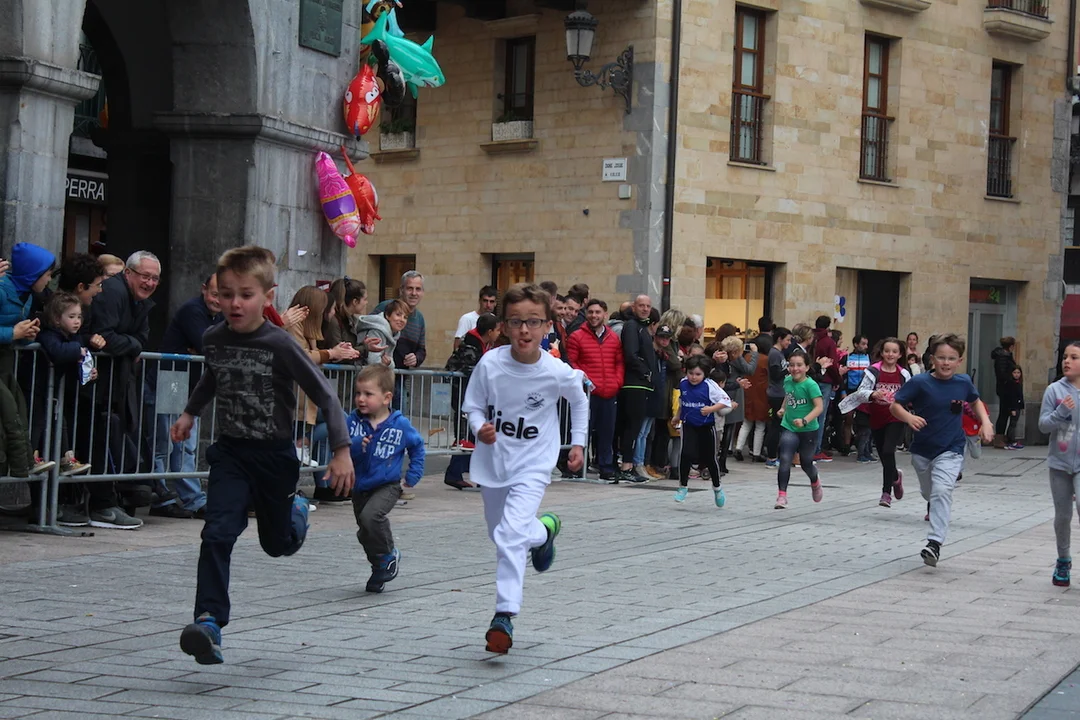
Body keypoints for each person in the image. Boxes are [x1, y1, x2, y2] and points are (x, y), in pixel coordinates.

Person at [171, 245, 354, 665]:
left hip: (274, 456)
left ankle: (296, 514)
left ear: (268, 297)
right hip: (231, 453)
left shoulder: (281, 344)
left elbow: (325, 394)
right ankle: (209, 621)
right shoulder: (213, 338)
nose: (235, 303)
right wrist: (189, 413)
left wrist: (341, 450)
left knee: (277, 545)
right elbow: (213, 376)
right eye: (226, 294)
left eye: (246, 294)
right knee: (217, 533)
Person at [461, 283, 588, 654]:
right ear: (503, 326)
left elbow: (579, 401)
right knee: (501, 532)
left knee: (510, 534)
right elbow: (473, 406)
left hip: (534, 463)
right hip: (494, 462)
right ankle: (544, 531)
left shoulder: (556, 370)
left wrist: (578, 443)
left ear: (548, 326)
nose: (525, 330)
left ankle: (504, 614)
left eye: (534, 322)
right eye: (516, 322)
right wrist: (479, 428)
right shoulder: (490, 364)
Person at [890, 334, 994, 567]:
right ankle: (933, 501)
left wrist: (986, 422)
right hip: (922, 450)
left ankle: (934, 543)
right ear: (932, 359)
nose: (946, 363)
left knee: (942, 491)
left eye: (951, 358)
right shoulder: (920, 382)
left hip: (952, 448)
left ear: (959, 361)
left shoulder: (963, 382)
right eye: (941, 358)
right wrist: (909, 418)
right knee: (930, 493)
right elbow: (895, 406)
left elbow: (975, 401)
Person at [346, 364, 425, 593]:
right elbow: (340, 448)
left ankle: (389, 554)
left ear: (386, 398)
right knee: (365, 530)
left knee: (372, 517)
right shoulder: (353, 422)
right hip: (360, 486)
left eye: (368, 394)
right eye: (358, 393)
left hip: (387, 484)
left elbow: (417, 446)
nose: (361, 399)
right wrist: (355, 446)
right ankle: (379, 566)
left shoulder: (400, 425)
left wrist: (413, 474)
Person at [150, 273, 221, 519]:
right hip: (171, 380)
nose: (219, 300)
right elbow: (209, 347)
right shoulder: (193, 310)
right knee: (164, 443)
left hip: (191, 386)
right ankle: (160, 495)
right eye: (215, 294)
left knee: (186, 446)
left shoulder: (219, 315)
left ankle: (192, 499)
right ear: (204, 289)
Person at [0, 242, 54, 479]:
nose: (49, 280)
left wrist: (25, 335)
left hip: (4, 365)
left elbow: (14, 334)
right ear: (33, 273)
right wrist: (14, 333)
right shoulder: (2, 289)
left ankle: (22, 467)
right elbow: (10, 331)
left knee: (17, 415)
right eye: (47, 274)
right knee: (10, 417)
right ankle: (21, 467)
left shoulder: (28, 296)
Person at [839, 337, 911, 508]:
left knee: (888, 450)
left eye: (894, 351)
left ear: (900, 354)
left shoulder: (904, 374)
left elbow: (912, 392)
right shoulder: (873, 371)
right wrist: (872, 394)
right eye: (887, 351)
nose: (890, 354)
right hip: (877, 417)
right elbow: (861, 391)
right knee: (884, 454)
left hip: (896, 417)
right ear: (882, 353)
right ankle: (895, 477)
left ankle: (886, 493)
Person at [35, 292, 94, 480]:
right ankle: (31, 457)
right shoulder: (48, 334)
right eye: (71, 317)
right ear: (56, 319)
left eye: (79, 317)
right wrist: (78, 351)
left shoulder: (74, 337)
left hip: (52, 389)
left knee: (60, 423)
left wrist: (88, 372)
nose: (77, 321)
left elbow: (75, 360)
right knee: (36, 422)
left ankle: (67, 458)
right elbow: (58, 352)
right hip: (35, 386)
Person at [567, 299, 623, 482]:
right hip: (587, 393)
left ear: (605, 314)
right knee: (584, 430)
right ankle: (577, 466)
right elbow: (572, 362)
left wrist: (617, 382)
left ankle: (605, 467)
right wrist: (584, 381)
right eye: (590, 312)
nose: (594, 316)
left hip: (609, 391)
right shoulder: (577, 336)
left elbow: (619, 362)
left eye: (598, 312)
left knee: (607, 432)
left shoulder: (613, 338)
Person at [1039, 341, 1080, 587]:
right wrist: (1061, 411)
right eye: (1065, 356)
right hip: (1060, 462)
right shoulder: (1054, 390)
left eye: (1074, 357)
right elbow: (1044, 425)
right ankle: (1063, 560)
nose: (1067, 361)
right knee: (1063, 516)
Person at [444, 312, 499, 489]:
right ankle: (461, 474)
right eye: (497, 330)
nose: (499, 333)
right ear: (490, 332)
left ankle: (459, 473)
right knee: (469, 435)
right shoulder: (471, 346)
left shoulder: (480, 345)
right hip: (465, 396)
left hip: (471, 397)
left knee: (472, 436)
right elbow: (472, 371)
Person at [672, 355, 730, 507]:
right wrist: (677, 416)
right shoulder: (683, 383)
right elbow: (682, 402)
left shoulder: (710, 386)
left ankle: (717, 488)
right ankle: (683, 487)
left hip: (706, 426)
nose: (693, 377)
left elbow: (726, 401)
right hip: (688, 425)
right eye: (691, 373)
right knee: (686, 454)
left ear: (705, 374)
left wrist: (711, 409)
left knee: (710, 458)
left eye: (698, 374)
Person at [774, 349, 824, 509]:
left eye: (799, 365)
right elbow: (788, 396)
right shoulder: (787, 380)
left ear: (807, 367)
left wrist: (804, 420)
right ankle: (782, 496)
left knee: (806, 462)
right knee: (785, 459)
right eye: (792, 365)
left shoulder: (811, 385)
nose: (795, 369)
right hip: (789, 426)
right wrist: (783, 409)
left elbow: (819, 407)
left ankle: (815, 482)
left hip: (808, 430)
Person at [616, 295, 656, 483]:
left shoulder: (641, 327)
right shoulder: (632, 326)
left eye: (648, 306)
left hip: (641, 384)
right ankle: (626, 466)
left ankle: (628, 465)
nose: (645, 309)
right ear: (634, 307)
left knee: (634, 426)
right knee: (632, 427)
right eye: (641, 305)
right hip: (634, 384)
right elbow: (631, 354)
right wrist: (646, 372)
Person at [763, 327, 792, 468]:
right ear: (780, 339)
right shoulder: (774, 354)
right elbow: (775, 375)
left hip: (780, 392)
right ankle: (772, 456)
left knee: (778, 426)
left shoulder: (779, 353)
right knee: (776, 426)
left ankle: (775, 455)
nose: (789, 343)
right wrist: (788, 369)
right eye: (787, 340)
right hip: (776, 393)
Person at [355, 300, 409, 368]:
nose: (402, 320)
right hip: (361, 371)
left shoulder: (394, 334)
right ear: (387, 315)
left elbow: (389, 360)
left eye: (405, 317)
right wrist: (386, 364)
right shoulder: (377, 330)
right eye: (398, 315)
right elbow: (373, 361)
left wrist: (389, 363)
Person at [991, 336, 1018, 449]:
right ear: (1011, 346)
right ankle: (999, 438)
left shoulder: (1004, 356)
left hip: (1005, 387)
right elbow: (1003, 374)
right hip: (1005, 388)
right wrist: (1010, 379)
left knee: (1005, 413)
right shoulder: (1004, 357)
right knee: (1003, 413)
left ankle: (1001, 438)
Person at [455, 285, 498, 351]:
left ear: (495, 303)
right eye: (485, 301)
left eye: (491, 301)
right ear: (479, 301)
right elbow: (457, 345)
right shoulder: (467, 319)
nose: (488, 305)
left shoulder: (495, 320)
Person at [1001, 365, 1025, 450]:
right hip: (1014, 407)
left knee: (1014, 424)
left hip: (1017, 406)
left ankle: (1011, 441)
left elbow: (1020, 396)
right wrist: (1012, 409)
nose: (1016, 374)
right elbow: (1011, 397)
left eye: (1018, 372)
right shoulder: (1011, 383)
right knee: (1012, 424)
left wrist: (1022, 406)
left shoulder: (1018, 383)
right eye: (1014, 372)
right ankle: (1011, 441)